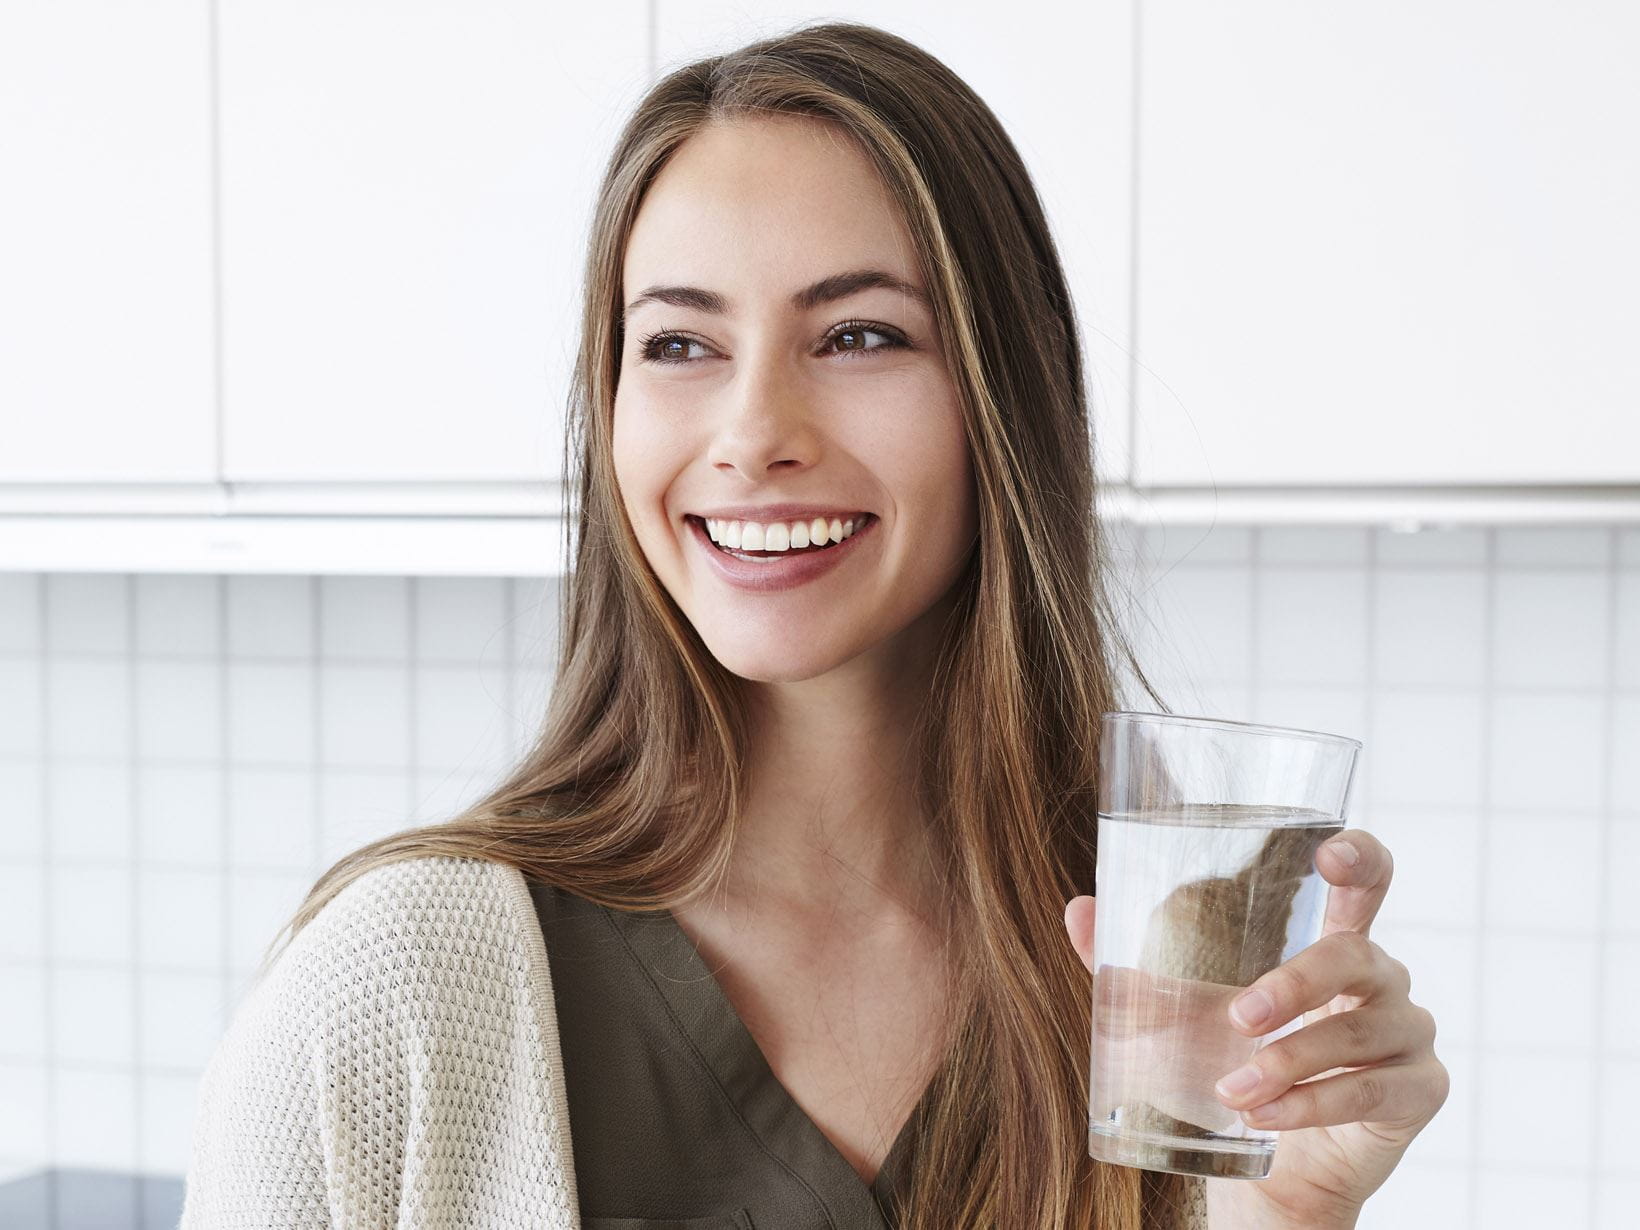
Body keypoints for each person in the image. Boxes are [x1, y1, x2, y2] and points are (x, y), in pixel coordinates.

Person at [180, 19, 1447, 1230]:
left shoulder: (1163, 982)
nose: (751, 436)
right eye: (677, 344)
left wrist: (1280, 1216)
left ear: (1003, 398)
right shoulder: (390, 988)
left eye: (855, 334)